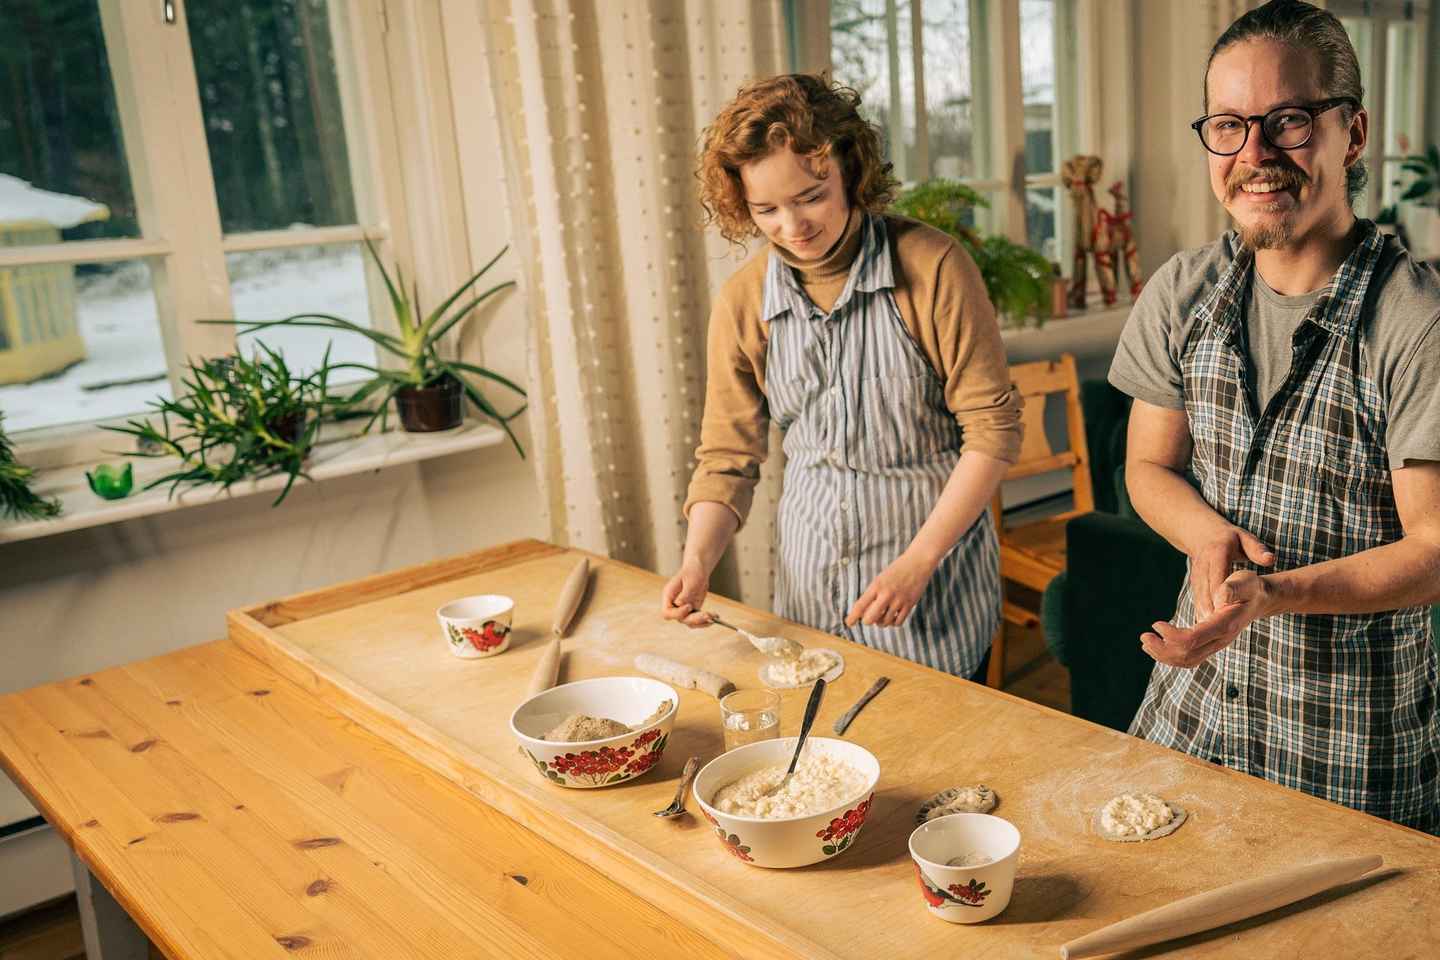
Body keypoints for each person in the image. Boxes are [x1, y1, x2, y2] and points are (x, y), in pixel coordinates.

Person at [1108, 0, 1440, 831]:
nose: (1254, 156)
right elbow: (1148, 468)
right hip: (1191, 710)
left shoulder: (1414, 321)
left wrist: (1274, 594)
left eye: (1287, 122)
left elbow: (1435, 551)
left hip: (1348, 744)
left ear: (1351, 134)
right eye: (1228, 126)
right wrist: (1206, 537)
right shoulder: (1182, 292)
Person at [660, 74, 1022, 682]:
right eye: (765, 209)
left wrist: (919, 561)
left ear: (850, 171)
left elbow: (992, 432)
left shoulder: (933, 267)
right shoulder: (744, 301)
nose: (792, 226)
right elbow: (727, 457)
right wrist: (698, 562)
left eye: (810, 196)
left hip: (933, 583)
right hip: (811, 590)